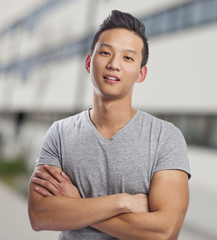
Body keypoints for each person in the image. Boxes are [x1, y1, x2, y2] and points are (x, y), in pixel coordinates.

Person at [28, 10, 191, 240]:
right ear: (89, 62)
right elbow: (39, 215)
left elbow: (165, 232)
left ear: (140, 73)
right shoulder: (60, 133)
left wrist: (77, 205)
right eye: (105, 53)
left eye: (127, 58)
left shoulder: (165, 137)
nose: (114, 64)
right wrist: (123, 202)